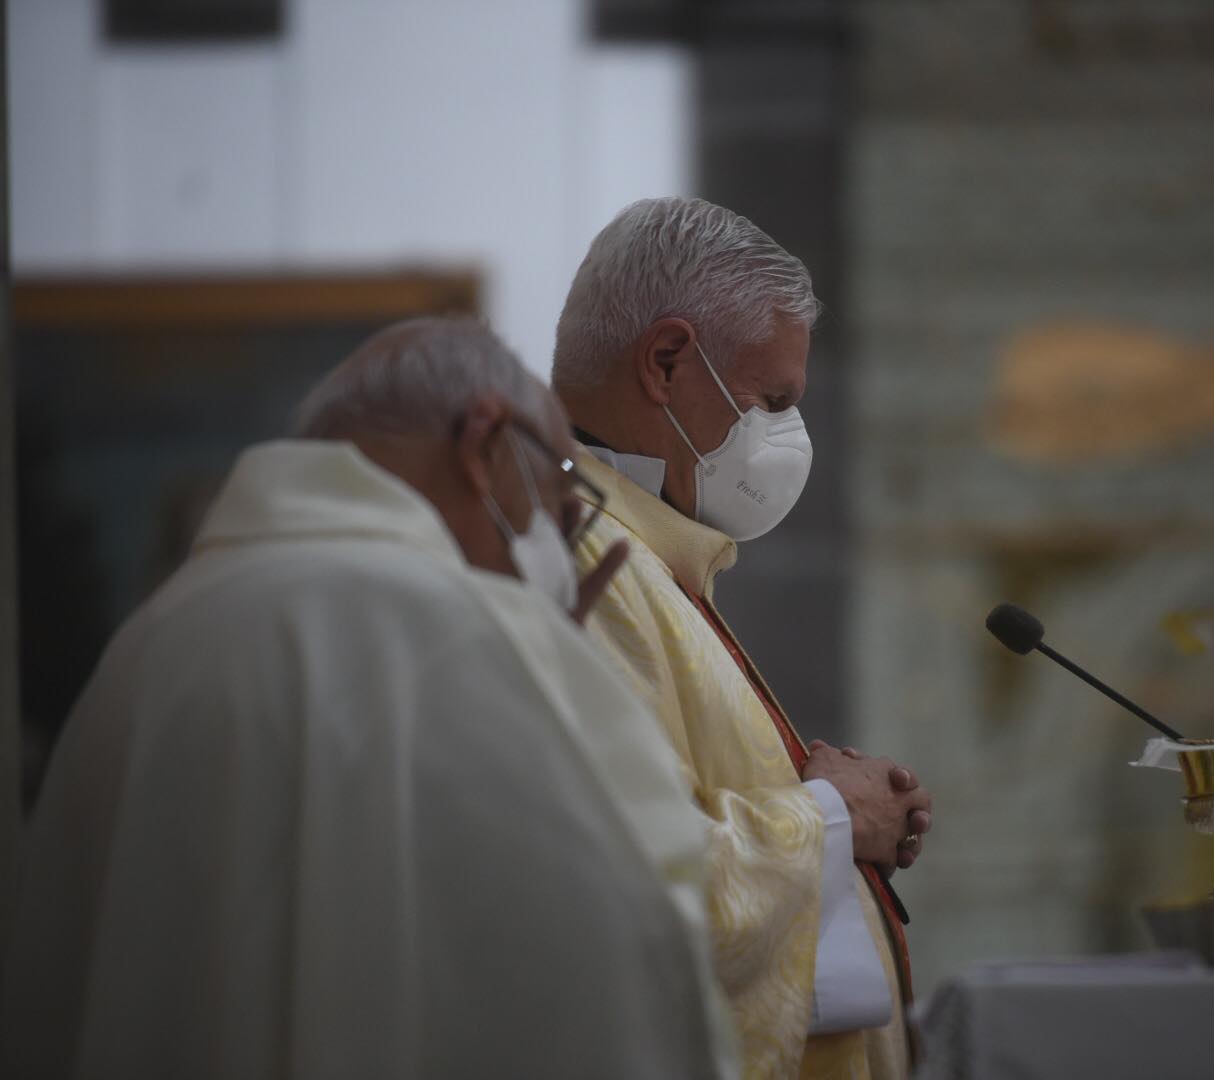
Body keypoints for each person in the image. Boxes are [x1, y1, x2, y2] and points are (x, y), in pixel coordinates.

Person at [1, 317, 736, 1079]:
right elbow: (631, 957)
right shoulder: (460, 633)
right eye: (557, 499)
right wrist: (546, 668)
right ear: (484, 444)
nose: (558, 538)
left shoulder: (148, 643)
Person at [552, 197, 933, 1078]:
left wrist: (837, 812)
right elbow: (628, 885)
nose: (789, 435)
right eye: (774, 398)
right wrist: (837, 820)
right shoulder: (579, 565)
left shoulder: (643, 551)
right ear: (668, 360)